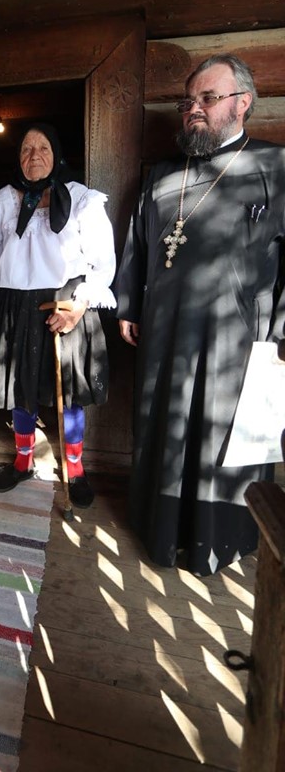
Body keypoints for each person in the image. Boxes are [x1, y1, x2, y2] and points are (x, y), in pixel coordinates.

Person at [116, 53, 285, 576]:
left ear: (242, 103)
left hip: (237, 339)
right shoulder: (164, 174)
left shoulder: (275, 166)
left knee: (220, 441)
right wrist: (129, 304)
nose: (193, 108)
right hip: (164, 332)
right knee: (164, 431)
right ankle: (161, 533)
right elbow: (138, 244)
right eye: (188, 100)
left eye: (207, 98)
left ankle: (222, 540)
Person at [0, 123, 116, 505]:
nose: (34, 156)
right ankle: (23, 460)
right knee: (20, 387)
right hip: (15, 305)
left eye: (43, 148)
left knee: (69, 393)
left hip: (66, 304)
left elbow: (103, 262)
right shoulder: (4, 201)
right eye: (26, 149)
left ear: (56, 154)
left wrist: (79, 306)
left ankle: (75, 468)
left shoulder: (81, 199)